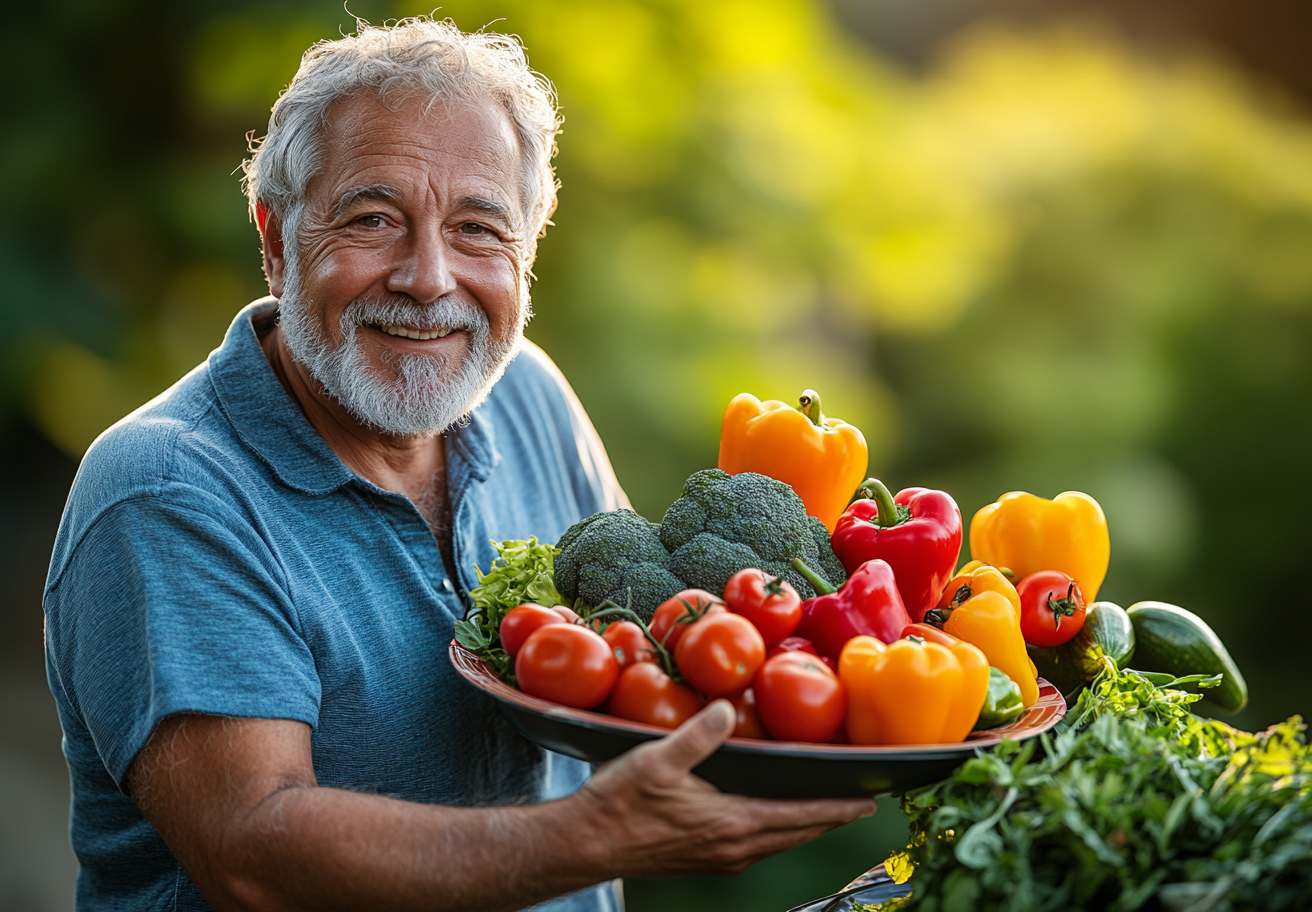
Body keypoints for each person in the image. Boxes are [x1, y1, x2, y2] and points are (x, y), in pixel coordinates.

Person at [43, 18, 874, 911]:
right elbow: (251, 854)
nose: (429, 277)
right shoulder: (168, 489)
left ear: (529, 251)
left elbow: (666, 652)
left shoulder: (529, 395)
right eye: (373, 220)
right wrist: (593, 836)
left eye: (478, 229)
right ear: (277, 239)